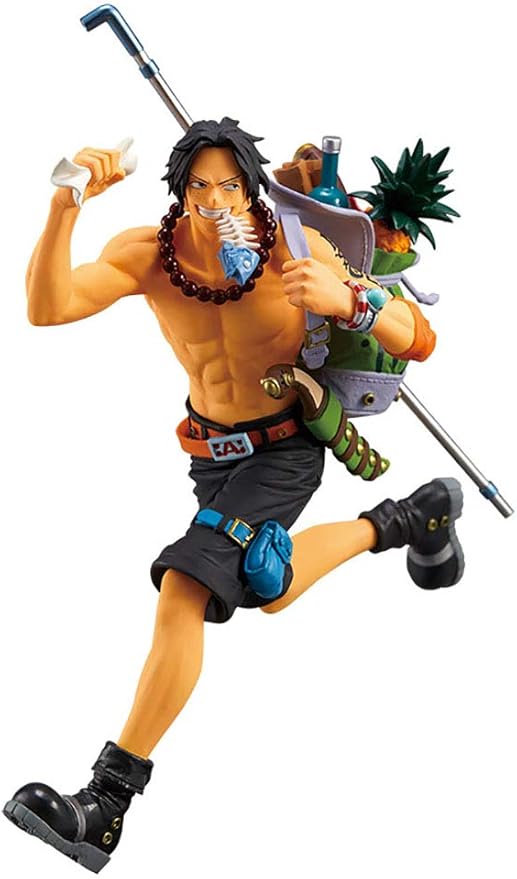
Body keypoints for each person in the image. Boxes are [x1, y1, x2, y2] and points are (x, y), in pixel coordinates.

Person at [3, 117, 464, 872]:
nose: (214, 201)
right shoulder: (150, 254)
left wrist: (350, 302)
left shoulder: (294, 249)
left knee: (186, 584)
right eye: (199, 187)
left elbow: (418, 336)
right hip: (210, 454)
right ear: (180, 192)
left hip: (286, 446)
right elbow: (48, 306)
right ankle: (411, 517)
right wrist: (65, 207)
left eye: (228, 186)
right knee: (266, 585)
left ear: (250, 190)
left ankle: (105, 804)